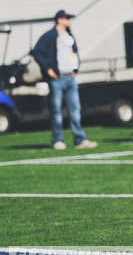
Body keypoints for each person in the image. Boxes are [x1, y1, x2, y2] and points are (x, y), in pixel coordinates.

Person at [31, 10, 98, 150]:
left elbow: (75, 52)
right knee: (56, 111)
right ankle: (58, 140)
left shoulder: (70, 35)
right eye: (67, 18)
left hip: (70, 78)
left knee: (75, 109)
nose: (70, 20)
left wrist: (76, 66)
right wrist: (48, 69)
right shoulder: (50, 35)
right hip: (57, 78)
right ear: (59, 19)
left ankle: (79, 140)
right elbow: (37, 51)